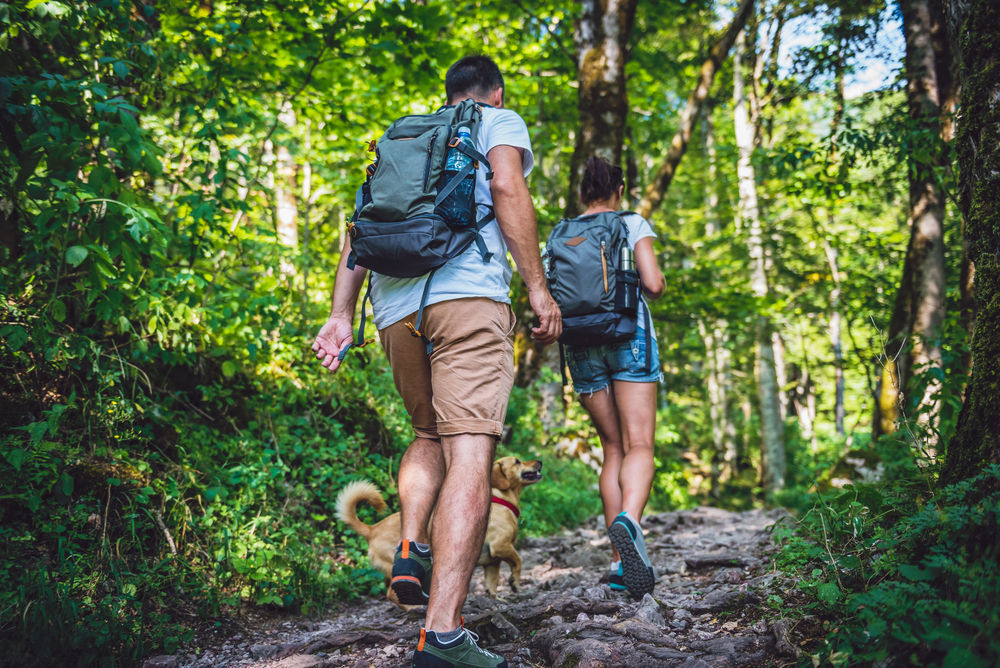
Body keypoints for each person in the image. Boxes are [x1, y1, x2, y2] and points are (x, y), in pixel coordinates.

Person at [311, 55, 561, 668]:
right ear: (494, 93)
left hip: (395, 309)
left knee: (428, 433)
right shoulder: (497, 120)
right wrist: (536, 286)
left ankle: (412, 544)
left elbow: (359, 227)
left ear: (444, 94)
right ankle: (443, 635)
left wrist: (340, 315)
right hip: (467, 299)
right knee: (471, 453)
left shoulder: (404, 133)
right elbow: (507, 187)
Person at [564, 157, 665, 599]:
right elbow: (654, 284)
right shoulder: (631, 222)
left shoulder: (562, 231)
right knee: (639, 443)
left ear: (583, 192)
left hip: (581, 343)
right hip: (629, 334)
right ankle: (630, 521)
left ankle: (619, 561)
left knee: (612, 448)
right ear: (618, 189)